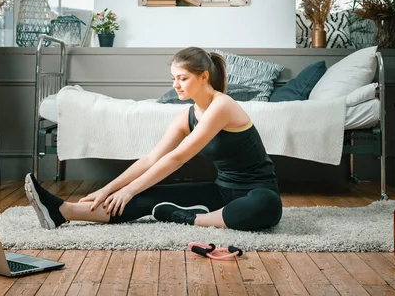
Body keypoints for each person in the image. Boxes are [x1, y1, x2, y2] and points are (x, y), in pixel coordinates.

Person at [24, 46, 282, 231]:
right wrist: (109, 189)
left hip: (257, 193)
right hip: (222, 191)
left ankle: (189, 219)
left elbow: (178, 157)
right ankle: (62, 211)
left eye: (183, 78)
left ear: (204, 77)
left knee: (266, 205)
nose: (176, 85)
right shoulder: (188, 115)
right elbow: (151, 158)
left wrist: (129, 188)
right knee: (144, 195)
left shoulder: (222, 105)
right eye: (173, 79)